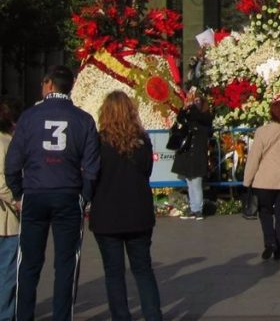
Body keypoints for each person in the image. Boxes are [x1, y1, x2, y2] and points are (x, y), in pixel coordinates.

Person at [4, 63, 100, 321]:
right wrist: (85, 196)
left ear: (48, 84)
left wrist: (17, 192)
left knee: (29, 264)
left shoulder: (29, 117)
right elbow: (92, 167)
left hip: (34, 192)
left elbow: (12, 162)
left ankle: (23, 316)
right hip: (68, 194)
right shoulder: (83, 119)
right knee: (66, 263)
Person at [90, 91, 163, 321]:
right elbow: (147, 172)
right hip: (138, 213)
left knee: (114, 273)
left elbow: (92, 176)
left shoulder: (97, 141)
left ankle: (121, 317)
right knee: (143, 270)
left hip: (106, 214)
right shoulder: (142, 141)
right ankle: (153, 316)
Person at [243, 100, 280, 260]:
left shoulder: (262, 131)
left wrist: (247, 180)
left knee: (265, 212)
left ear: (271, 114)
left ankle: (270, 241)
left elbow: (254, 157)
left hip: (264, 179)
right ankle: (279, 247)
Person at [170, 89, 213, 219]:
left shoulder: (206, 116)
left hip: (198, 154)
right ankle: (194, 208)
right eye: (194, 101)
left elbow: (200, 118)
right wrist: (184, 108)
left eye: (197, 101)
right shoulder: (189, 114)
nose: (195, 103)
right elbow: (180, 119)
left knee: (196, 182)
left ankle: (198, 209)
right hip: (187, 153)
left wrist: (192, 107)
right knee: (189, 181)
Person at [0, 100, 21, 321]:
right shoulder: (4, 142)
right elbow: (1, 183)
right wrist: (17, 201)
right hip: (5, 220)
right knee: (7, 273)